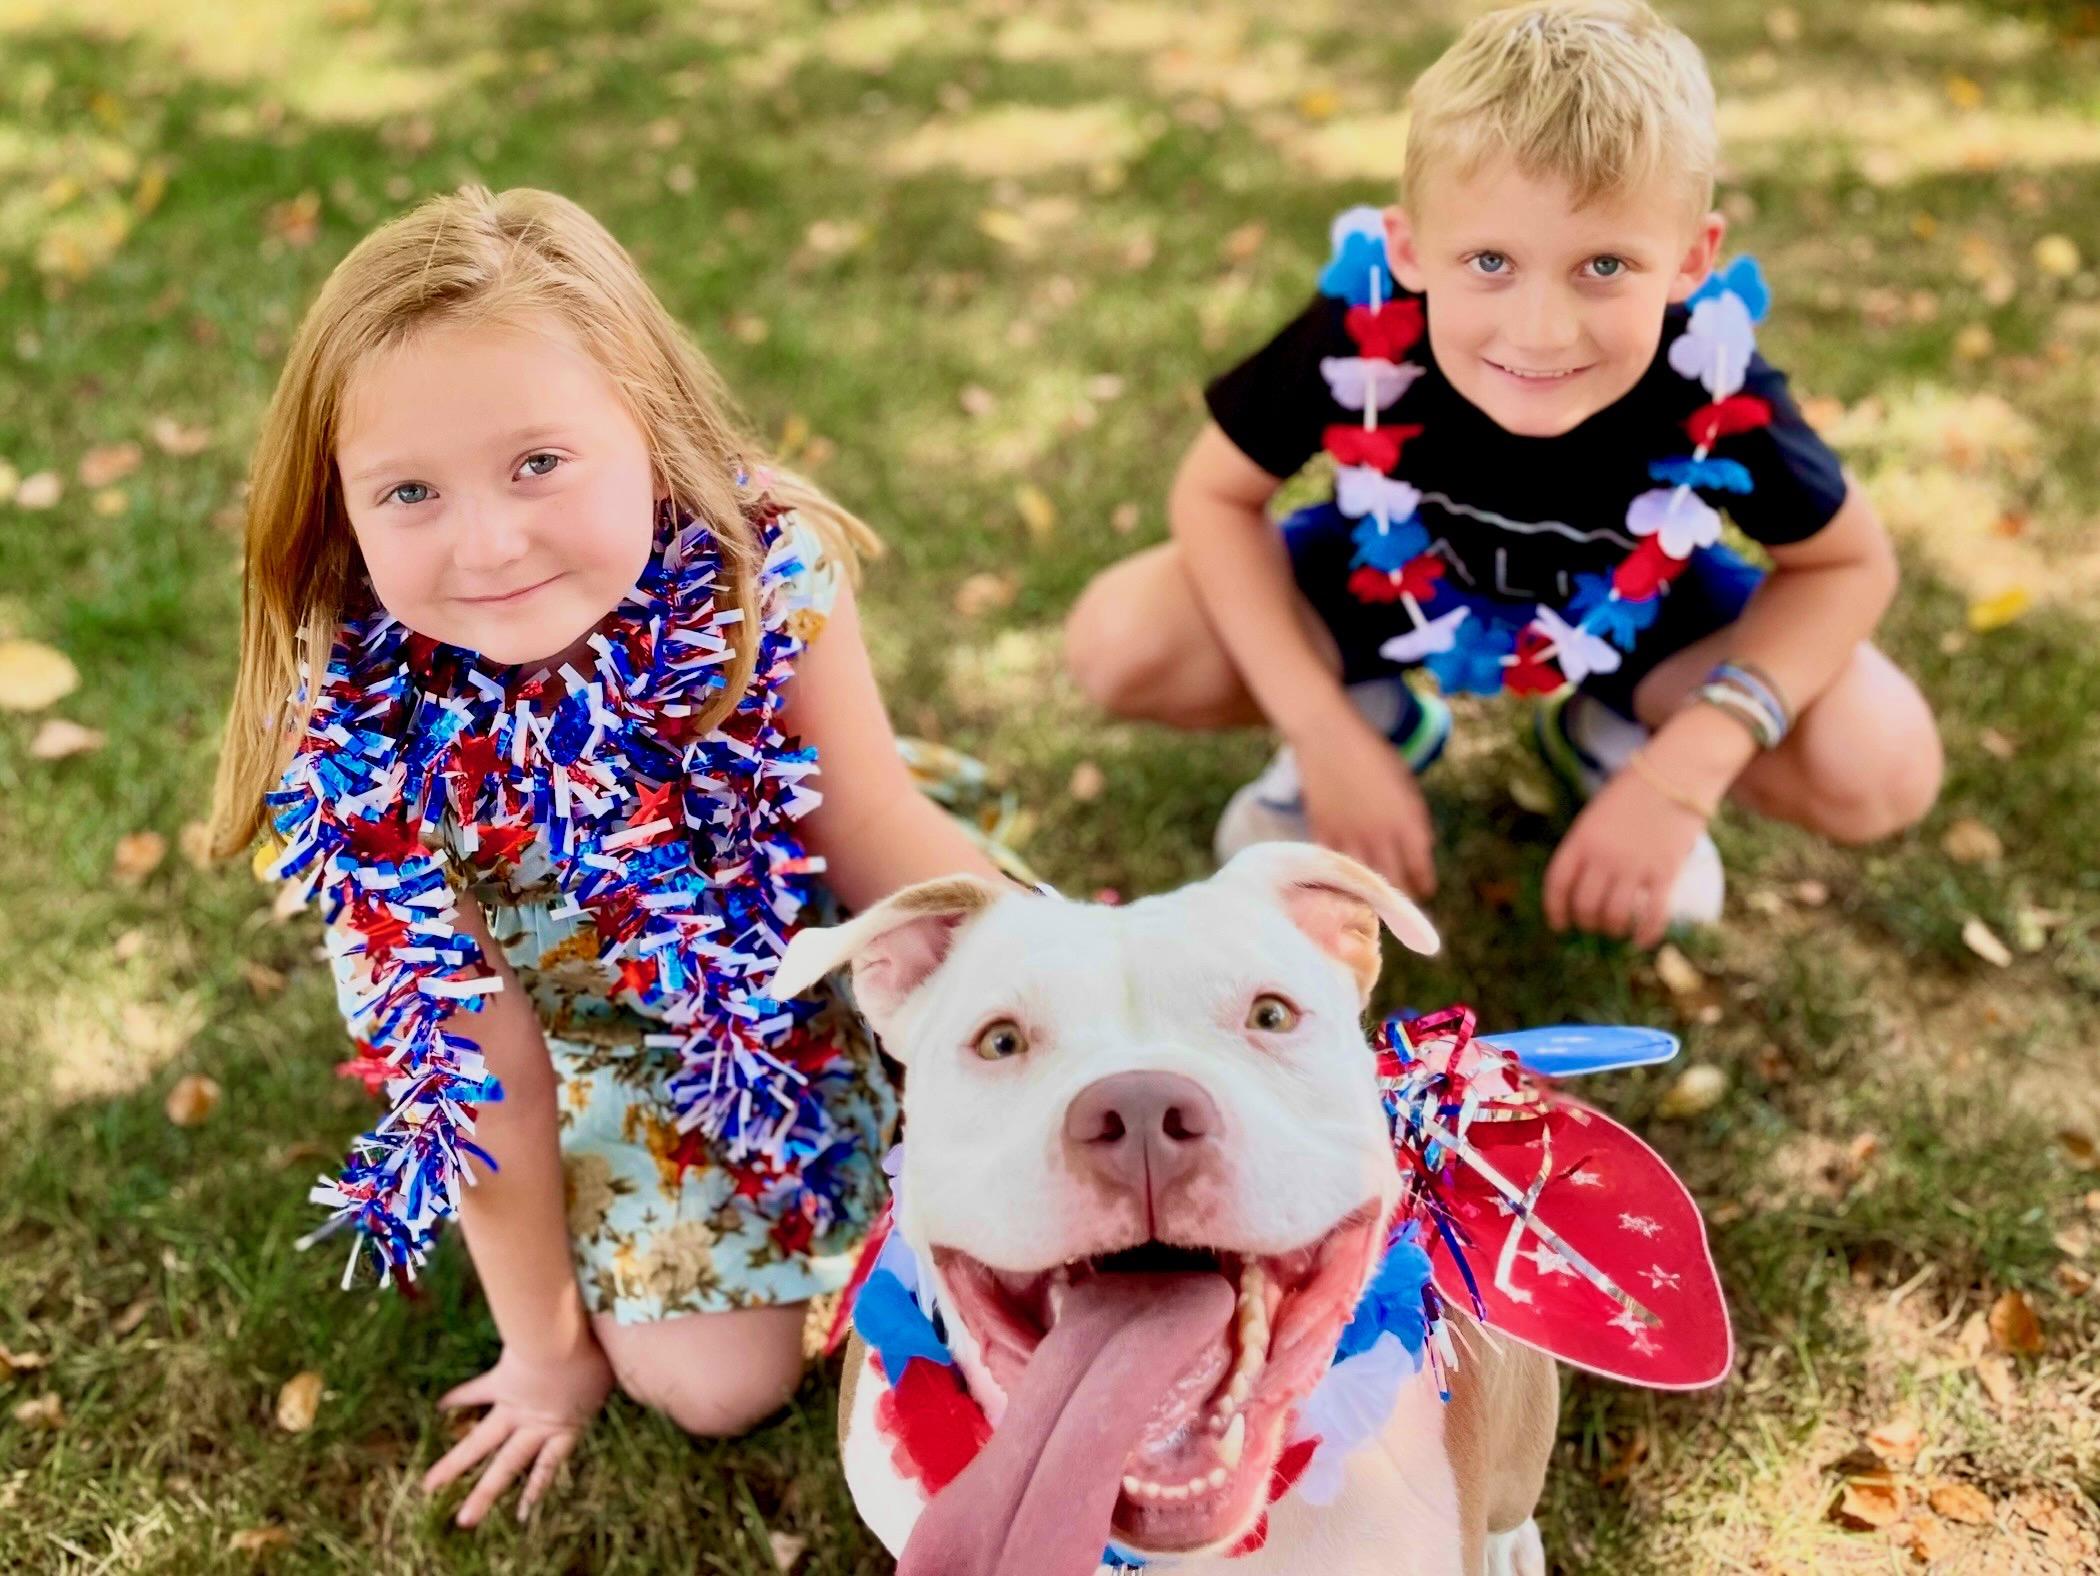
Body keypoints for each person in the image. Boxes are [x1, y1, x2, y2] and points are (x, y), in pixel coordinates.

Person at [207, 186, 1016, 1529]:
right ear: (342, 513)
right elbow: (487, 1074)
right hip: (612, 1050)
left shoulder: (761, 573)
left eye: (539, 463)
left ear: (647, 427)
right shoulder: (365, 742)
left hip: (818, 939)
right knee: (713, 1385)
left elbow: (873, 834)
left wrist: (1068, 990)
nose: (493, 541)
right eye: (411, 491)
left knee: (1052, 1159)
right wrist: (546, 1351)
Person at [1064, 0, 1941, 949]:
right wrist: (1322, 731)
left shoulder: (1714, 380)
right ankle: (1372, 715)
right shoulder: (1360, 331)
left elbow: (1851, 565)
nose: (1540, 330)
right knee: (1122, 637)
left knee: (1880, 761)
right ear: (1409, 250)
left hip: (1642, 629)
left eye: (1604, 264)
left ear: (1692, 262)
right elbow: (1212, 495)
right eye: (1489, 260)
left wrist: (1685, 767)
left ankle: (1615, 742)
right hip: (1377, 595)